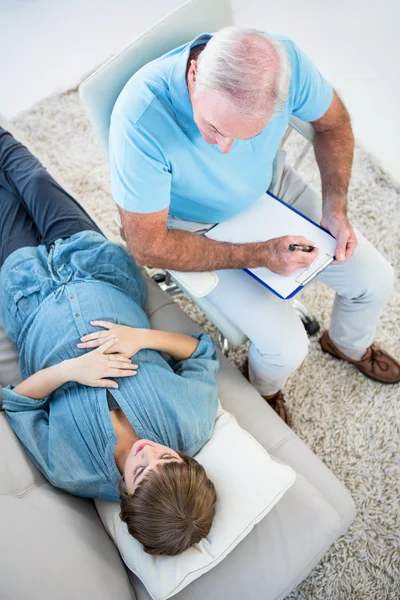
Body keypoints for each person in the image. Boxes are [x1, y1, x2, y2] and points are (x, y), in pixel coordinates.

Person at [109, 26, 399, 425]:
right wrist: (259, 254)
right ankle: (264, 391)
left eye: (247, 134)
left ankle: (347, 345)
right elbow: (146, 245)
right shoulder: (140, 118)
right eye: (213, 128)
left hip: (272, 187)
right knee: (285, 348)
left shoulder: (286, 62)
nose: (224, 147)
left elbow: (333, 124)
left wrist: (336, 207)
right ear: (194, 74)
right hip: (193, 228)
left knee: (376, 279)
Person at [0, 126, 219, 556]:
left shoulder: (72, 469)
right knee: (32, 179)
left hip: (28, 293)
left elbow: (18, 402)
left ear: (125, 495)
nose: (148, 452)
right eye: (167, 460)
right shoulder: (190, 421)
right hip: (96, 265)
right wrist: (141, 338)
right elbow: (201, 352)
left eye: (141, 470)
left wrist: (69, 372)